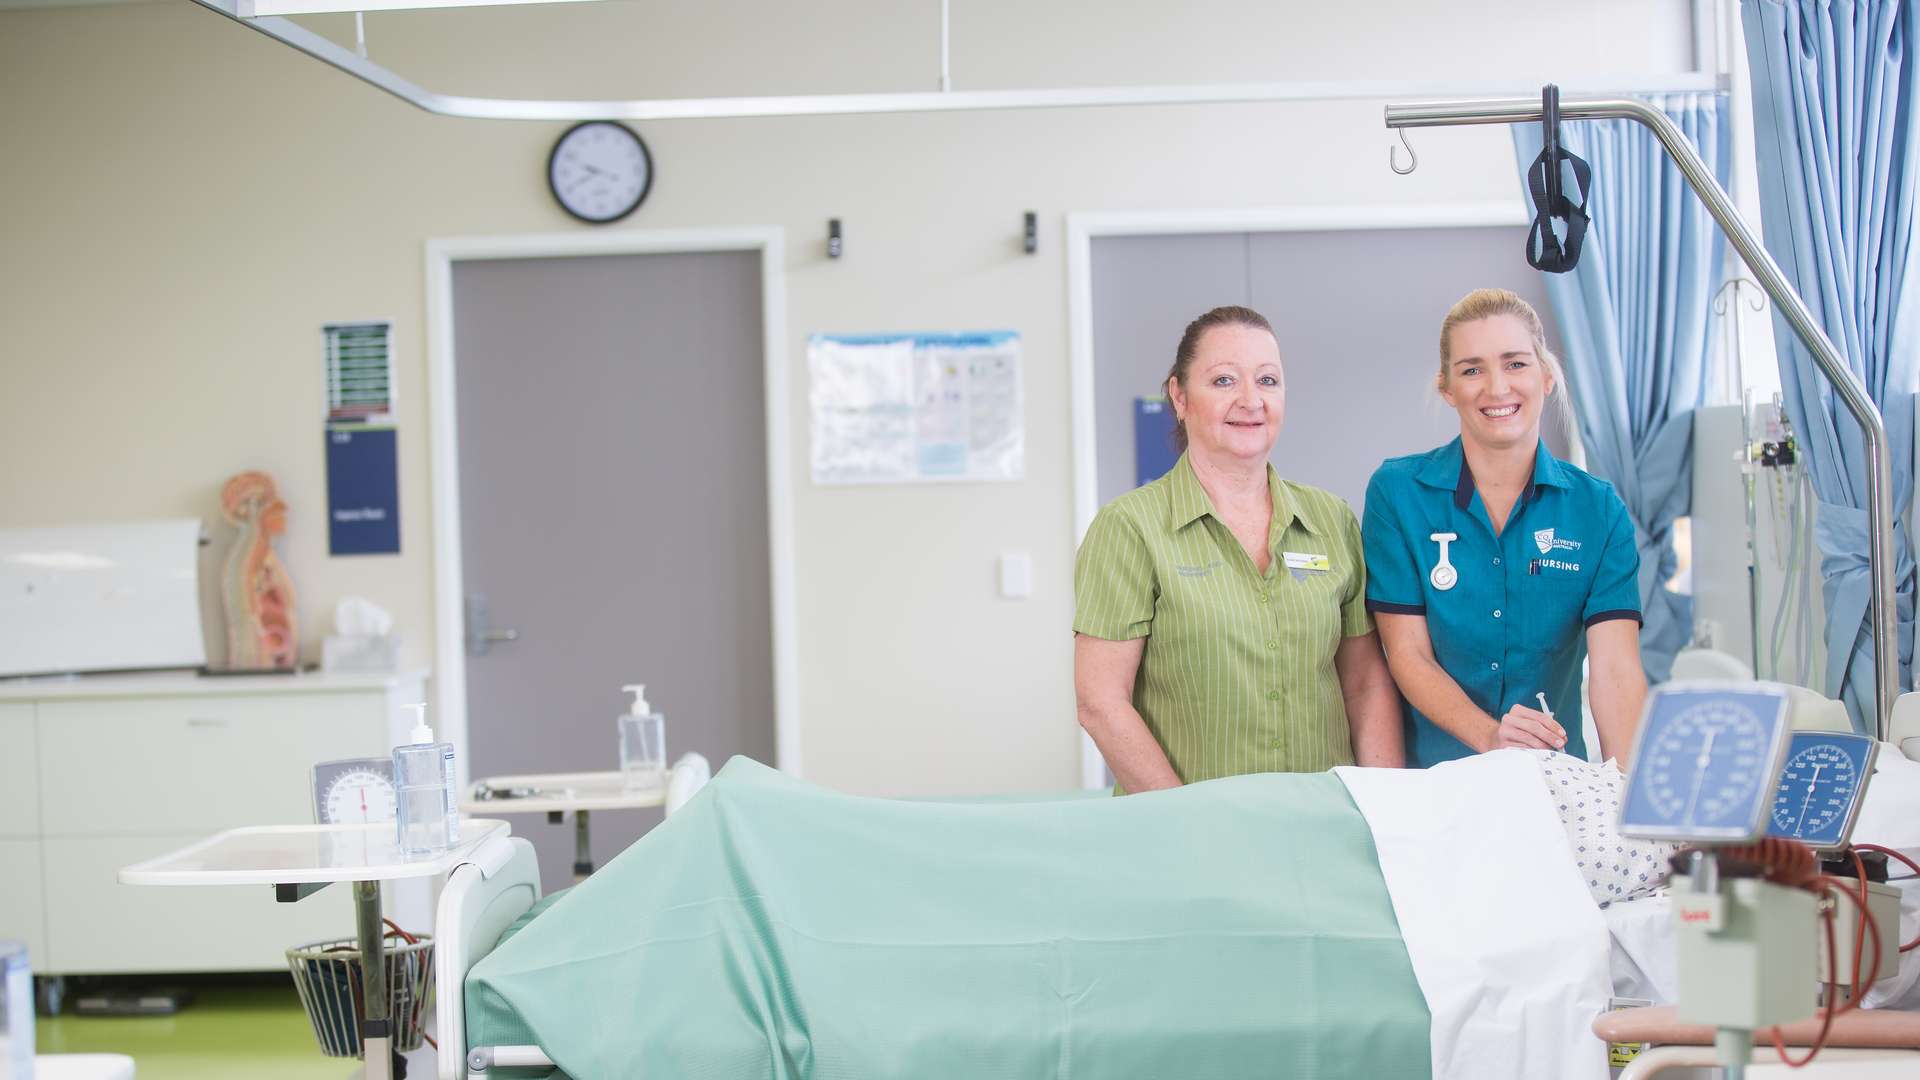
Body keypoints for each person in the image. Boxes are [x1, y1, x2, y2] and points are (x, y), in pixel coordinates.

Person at [1074, 305, 1403, 793]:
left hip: (1322, 823)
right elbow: (1101, 702)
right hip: (1191, 834)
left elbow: (1365, 685)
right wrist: (1188, 823)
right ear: (1180, 397)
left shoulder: (1331, 519)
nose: (1251, 400)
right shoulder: (1130, 528)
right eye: (1224, 381)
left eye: (1268, 381)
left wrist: (1386, 808)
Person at [1362, 288, 1646, 768]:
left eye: (1515, 364)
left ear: (1547, 376)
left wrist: (1631, 808)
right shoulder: (1398, 494)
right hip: (1437, 785)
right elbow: (1408, 655)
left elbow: (1616, 671)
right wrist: (1491, 736)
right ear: (1447, 388)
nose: (1496, 388)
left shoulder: (1597, 510)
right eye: (1472, 369)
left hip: (1556, 782)